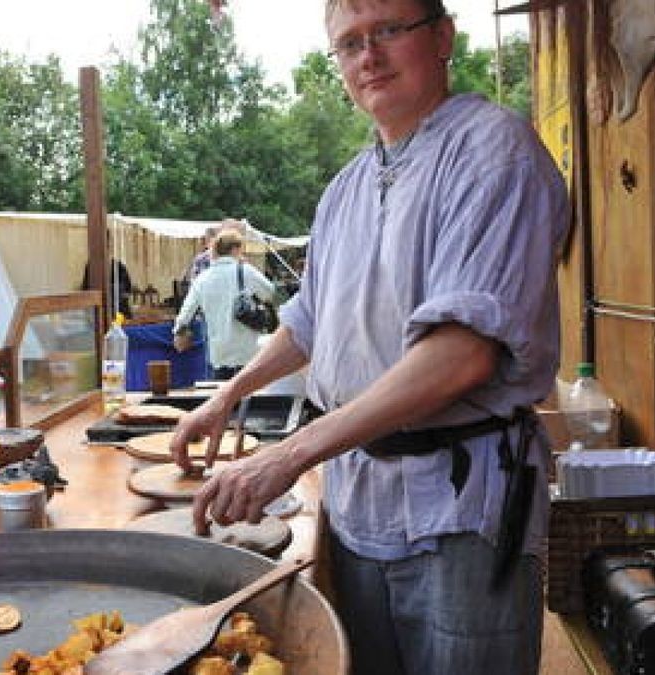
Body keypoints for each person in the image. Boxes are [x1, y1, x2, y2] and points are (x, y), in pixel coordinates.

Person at [169, 1, 569, 674]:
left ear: (442, 36)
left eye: (388, 30)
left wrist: (288, 454)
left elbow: (462, 353)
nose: (368, 56)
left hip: (459, 510)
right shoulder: (346, 189)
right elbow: (308, 320)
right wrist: (229, 394)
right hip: (357, 504)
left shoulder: (494, 152)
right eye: (349, 43)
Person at [172, 228, 274, 381]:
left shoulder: (202, 279)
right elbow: (270, 292)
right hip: (247, 349)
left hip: (218, 351)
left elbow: (185, 314)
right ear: (235, 249)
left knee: (222, 396)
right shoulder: (246, 271)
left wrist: (178, 333)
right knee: (249, 397)